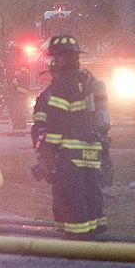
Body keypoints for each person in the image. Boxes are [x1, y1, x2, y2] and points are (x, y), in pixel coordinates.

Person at [30, 35, 107, 240]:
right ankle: (95, 236)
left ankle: (78, 243)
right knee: (90, 192)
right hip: (92, 151)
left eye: (54, 58)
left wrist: (46, 152)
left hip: (70, 154)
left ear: (62, 59)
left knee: (71, 196)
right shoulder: (87, 79)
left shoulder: (63, 84)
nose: (52, 63)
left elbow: (56, 124)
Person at [6, 41, 32, 136]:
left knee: (18, 110)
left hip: (21, 90)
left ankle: (21, 129)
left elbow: (25, 75)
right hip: (14, 91)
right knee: (13, 110)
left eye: (12, 51)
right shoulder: (15, 61)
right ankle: (16, 129)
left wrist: (15, 82)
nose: (11, 53)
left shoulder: (22, 60)